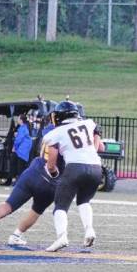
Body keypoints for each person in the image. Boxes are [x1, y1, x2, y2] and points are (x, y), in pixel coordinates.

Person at [0, 116, 63, 245]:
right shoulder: (66, 133)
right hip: (49, 180)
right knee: (36, 211)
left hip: (33, 170)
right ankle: (16, 235)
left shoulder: (49, 130)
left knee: (9, 204)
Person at [41, 101, 104, 252]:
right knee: (84, 201)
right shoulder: (89, 123)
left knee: (60, 206)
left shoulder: (54, 133)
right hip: (96, 167)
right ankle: (89, 230)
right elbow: (99, 143)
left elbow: (51, 164)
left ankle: (61, 237)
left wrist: (55, 174)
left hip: (74, 167)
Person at [11, 114, 32, 181]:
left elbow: (18, 140)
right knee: (21, 167)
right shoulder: (24, 128)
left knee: (19, 168)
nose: (17, 120)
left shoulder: (22, 128)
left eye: (18, 119)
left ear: (21, 120)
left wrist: (14, 147)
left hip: (21, 151)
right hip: (24, 151)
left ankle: (18, 181)